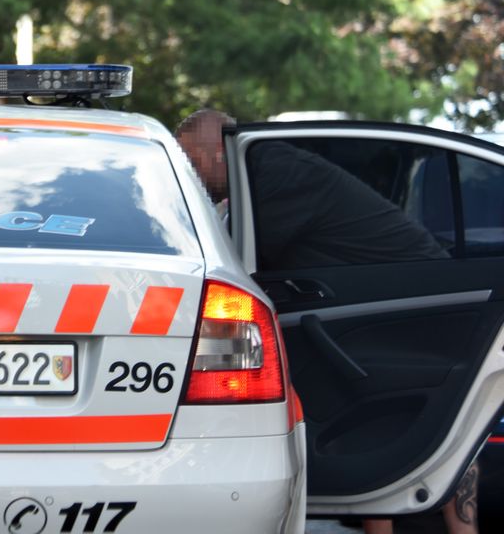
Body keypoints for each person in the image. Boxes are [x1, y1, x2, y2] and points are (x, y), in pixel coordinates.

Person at [174, 108, 479, 534]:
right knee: (373, 418)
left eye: (193, 161)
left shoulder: (276, 173)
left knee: (444, 418)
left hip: (419, 298)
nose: (192, 175)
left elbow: (240, 261)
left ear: (217, 151)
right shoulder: (257, 177)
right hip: (383, 295)